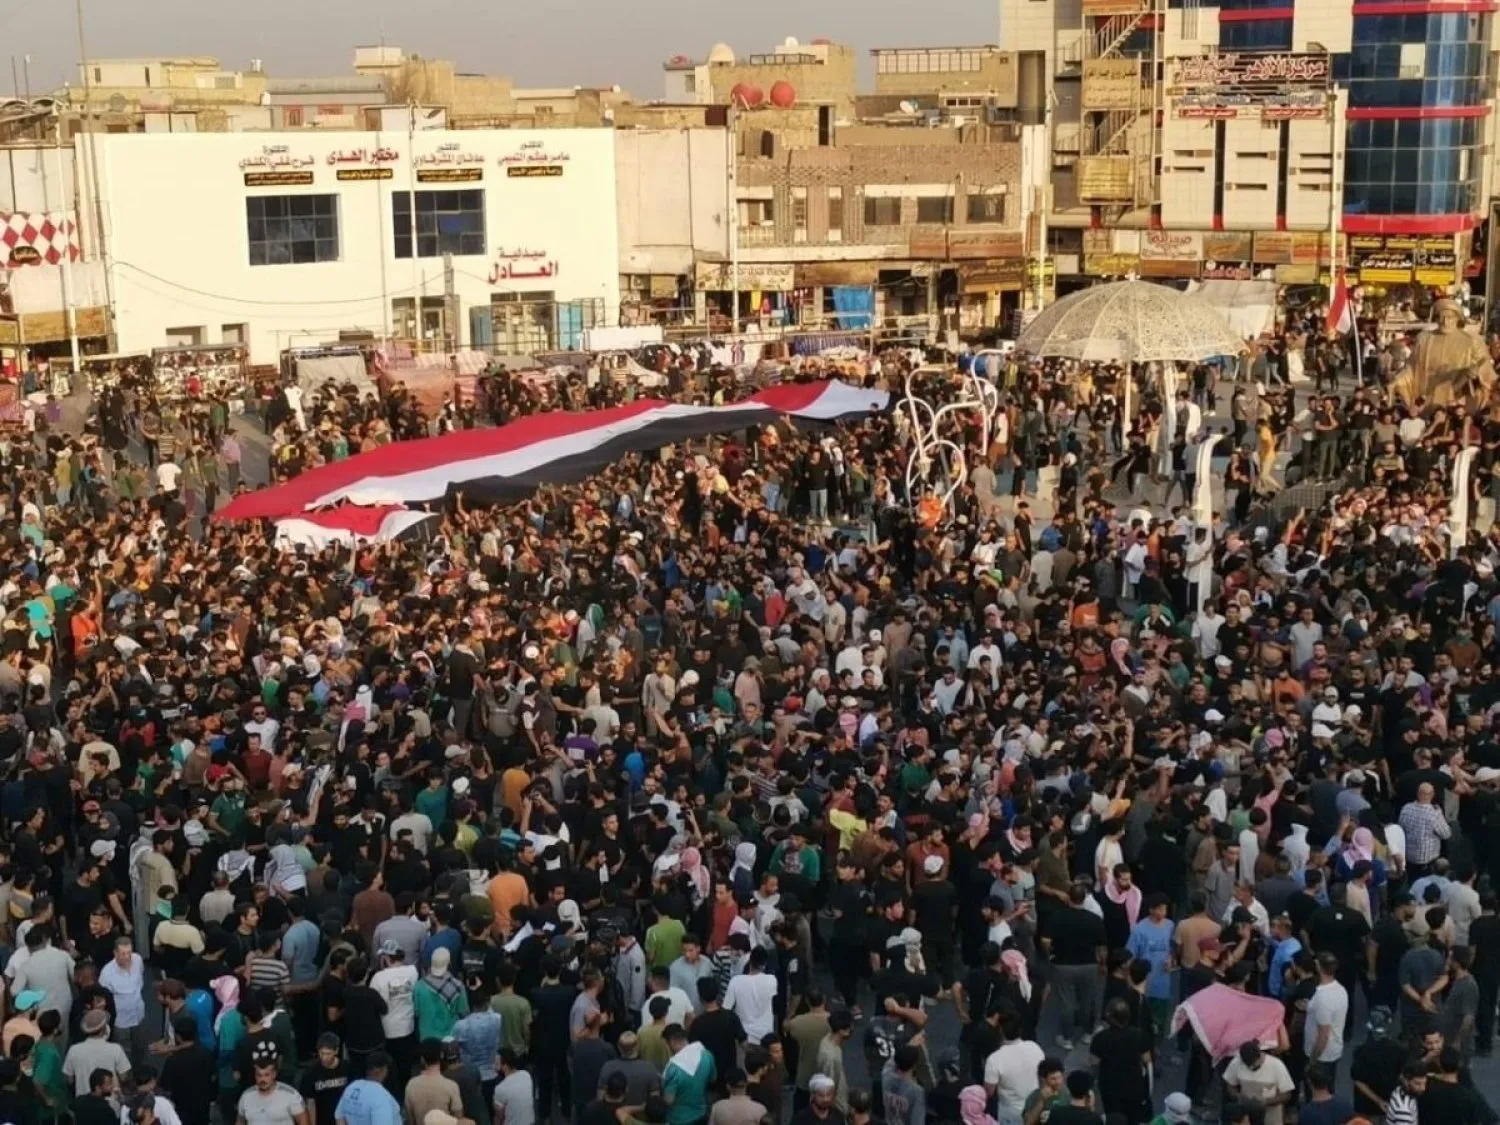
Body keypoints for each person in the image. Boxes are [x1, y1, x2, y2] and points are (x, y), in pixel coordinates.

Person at [1222, 1042, 1294, 1125]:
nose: (1251, 1068)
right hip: (1247, 1117)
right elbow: (1230, 1085)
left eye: (1254, 1066)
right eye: (1247, 1066)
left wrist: (1265, 1102)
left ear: (1260, 1055)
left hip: (1271, 1117)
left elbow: (1287, 1094)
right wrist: (1238, 1097)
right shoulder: (1236, 1062)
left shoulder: (1276, 1065)